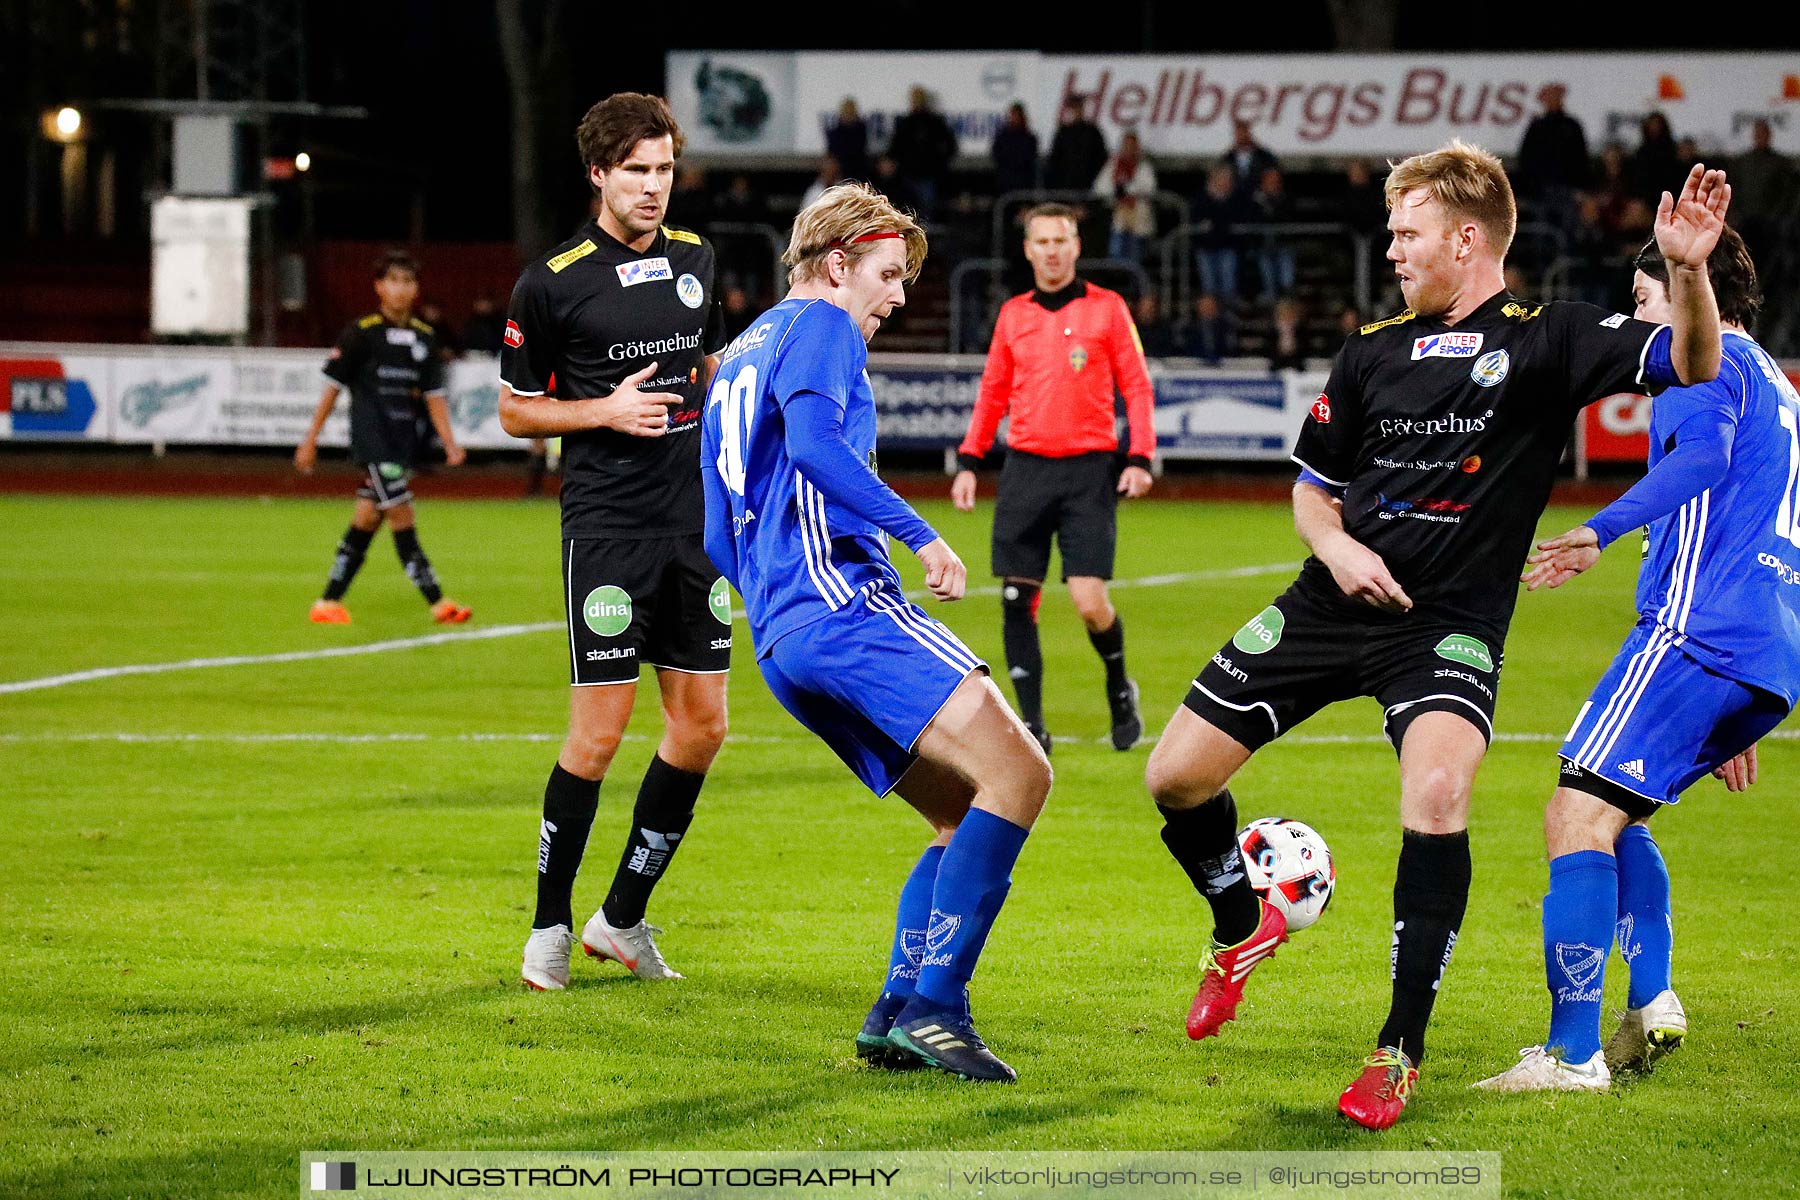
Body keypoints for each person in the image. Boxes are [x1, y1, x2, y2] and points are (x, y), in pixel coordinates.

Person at [1141, 141, 1729, 1131]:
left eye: (1407, 233)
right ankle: (1242, 927)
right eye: (1392, 233)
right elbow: (1312, 491)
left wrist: (1688, 270)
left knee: (1441, 788)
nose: (1394, 250)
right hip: (1331, 603)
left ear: (1468, 238)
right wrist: (1332, 550)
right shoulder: (1372, 348)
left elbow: (1690, 358)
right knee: (1175, 778)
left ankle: (1398, 1046)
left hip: (1447, 626)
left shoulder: (1550, 339)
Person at [700, 182, 1051, 1082]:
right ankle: (939, 1007)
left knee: (951, 808)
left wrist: (780, 608)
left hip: (781, 636)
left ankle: (895, 1008)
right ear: (836, 264)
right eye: (888, 276)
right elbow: (817, 448)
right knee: (1019, 774)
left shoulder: (738, 353)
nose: (896, 297)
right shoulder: (820, 326)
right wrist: (922, 534)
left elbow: (711, 532)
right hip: (842, 607)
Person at [1474, 226, 1795, 1094]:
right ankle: (1650, 998)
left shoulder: (1707, 363)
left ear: (1694, 295)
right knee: (1623, 813)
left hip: (1697, 632)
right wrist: (1741, 683)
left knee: (1574, 818)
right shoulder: (1773, 376)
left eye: (1646, 298)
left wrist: (1598, 529)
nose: (1635, 315)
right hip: (1759, 645)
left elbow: (1706, 456)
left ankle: (1571, 1055)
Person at [498, 93, 729, 992]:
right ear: (598, 173)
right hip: (605, 529)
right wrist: (603, 409)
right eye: (637, 170)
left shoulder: (696, 259)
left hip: (694, 527)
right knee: (598, 736)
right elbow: (516, 409)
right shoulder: (550, 280)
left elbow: (710, 371)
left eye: (665, 169)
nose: (654, 186)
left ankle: (621, 919)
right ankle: (549, 927)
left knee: (704, 727)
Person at [952, 203, 1155, 755]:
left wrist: (1140, 456)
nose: (1051, 251)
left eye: (1060, 240)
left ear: (1075, 244)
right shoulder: (1013, 314)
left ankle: (1119, 688)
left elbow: (1136, 386)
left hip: (1089, 472)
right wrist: (970, 460)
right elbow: (993, 390)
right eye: (1040, 241)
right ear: (1028, 249)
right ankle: (1033, 728)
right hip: (1025, 470)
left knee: (1090, 601)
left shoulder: (1108, 309)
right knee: (1017, 598)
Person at [295, 250, 470, 627]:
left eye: (408, 282)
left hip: (401, 443)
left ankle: (327, 602)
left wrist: (449, 442)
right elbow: (332, 387)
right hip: (373, 443)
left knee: (366, 521)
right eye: (393, 281)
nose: (401, 289)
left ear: (416, 288)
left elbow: (434, 396)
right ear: (378, 287)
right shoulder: (361, 332)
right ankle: (438, 602)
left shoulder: (425, 337)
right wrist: (310, 438)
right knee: (402, 517)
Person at [1515, 83, 1590, 235]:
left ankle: (1566, 256)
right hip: (1541, 190)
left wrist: (1579, 188)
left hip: (1567, 190)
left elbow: (1581, 159)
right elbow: (1526, 160)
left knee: (1568, 226)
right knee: (1541, 229)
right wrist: (1531, 186)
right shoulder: (1537, 127)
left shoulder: (1572, 126)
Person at [888, 85, 957, 218]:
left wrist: (939, 163)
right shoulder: (905, 123)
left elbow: (950, 146)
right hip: (908, 174)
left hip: (928, 175)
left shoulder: (935, 122)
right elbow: (896, 147)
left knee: (927, 210)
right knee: (909, 211)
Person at [1093, 130, 1157, 263]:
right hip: (1119, 218)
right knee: (1116, 257)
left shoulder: (1143, 166)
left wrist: (1125, 188)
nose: (1128, 149)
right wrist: (1116, 190)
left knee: (1136, 258)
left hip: (1138, 220)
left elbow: (1149, 187)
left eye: (1132, 145)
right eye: (1126, 145)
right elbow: (1099, 187)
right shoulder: (1113, 165)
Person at [1045, 97, 1107, 193]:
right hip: (1065, 185)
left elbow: (1101, 157)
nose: (1077, 111)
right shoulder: (1063, 132)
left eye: (1079, 107)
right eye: (1074, 108)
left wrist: (1093, 178)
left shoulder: (1092, 131)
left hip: (1088, 184)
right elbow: (1055, 159)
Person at [991, 102, 1040, 197]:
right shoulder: (1001, 137)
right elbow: (997, 155)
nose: (1012, 118)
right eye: (1011, 115)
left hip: (1023, 184)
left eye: (1015, 115)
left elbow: (1029, 159)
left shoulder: (1030, 138)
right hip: (1004, 184)